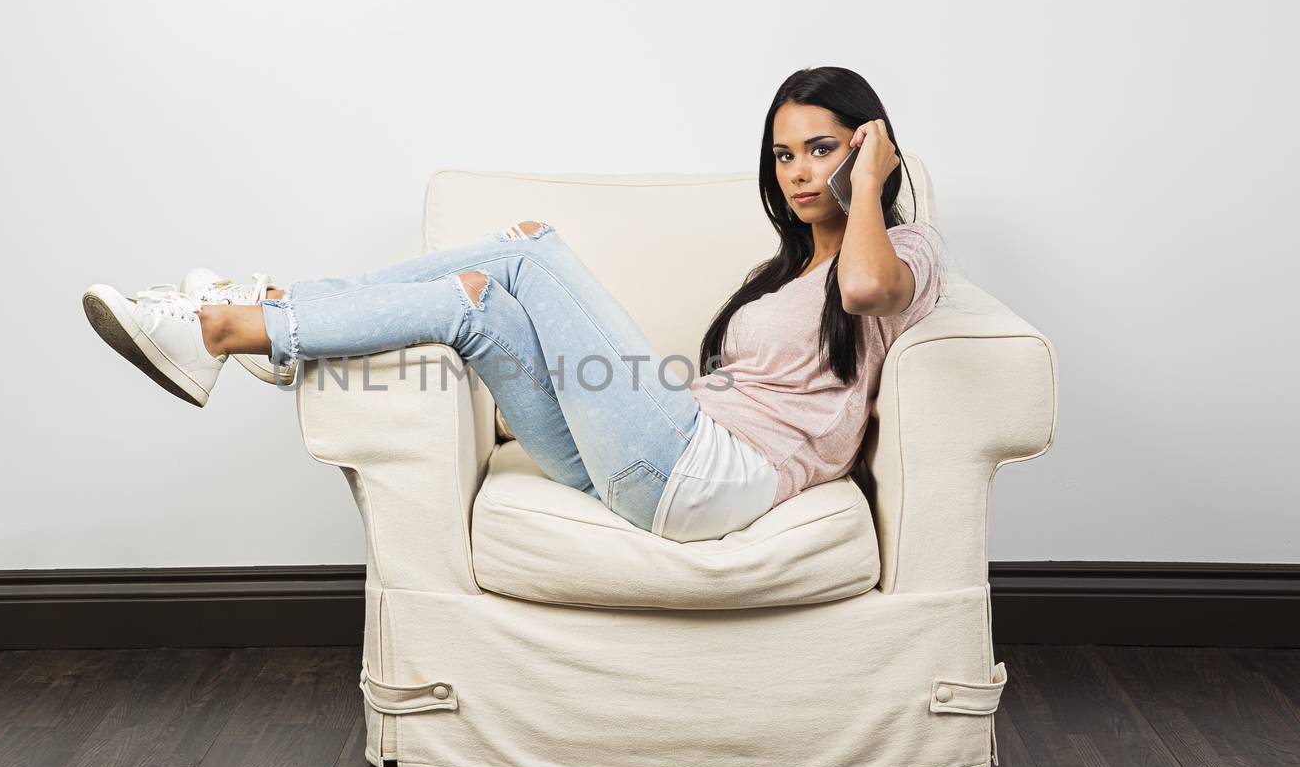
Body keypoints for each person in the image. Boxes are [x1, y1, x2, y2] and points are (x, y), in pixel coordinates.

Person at [80, 66, 944, 543]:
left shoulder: (903, 253)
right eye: (785, 153)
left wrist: (869, 180)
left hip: (708, 476)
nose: (798, 170)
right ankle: (262, 328)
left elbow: (866, 287)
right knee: (476, 302)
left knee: (530, 247)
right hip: (657, 457)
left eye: (822, 148)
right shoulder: (784, 269)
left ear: (870, 147)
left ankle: (237, 322)